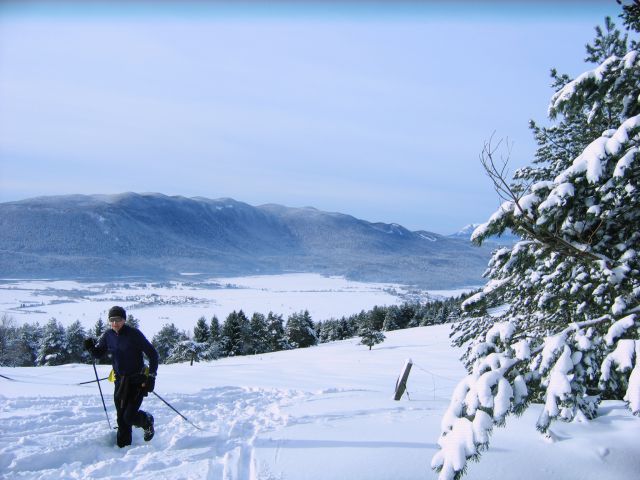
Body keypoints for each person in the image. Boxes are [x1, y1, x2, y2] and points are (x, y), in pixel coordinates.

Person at [84, 305, 159, 448]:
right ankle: (123, 447)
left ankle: (147, 421)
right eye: (111, 320)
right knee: (121, 417)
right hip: (120, 382)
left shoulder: (134, 334)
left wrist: (152, 377)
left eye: (118, 320)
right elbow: (99, 354)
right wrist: (91, 348)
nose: (114, 323)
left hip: (137, 381)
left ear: (124, 320)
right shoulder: (108, 335)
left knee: (129, 416)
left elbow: (153, 354)